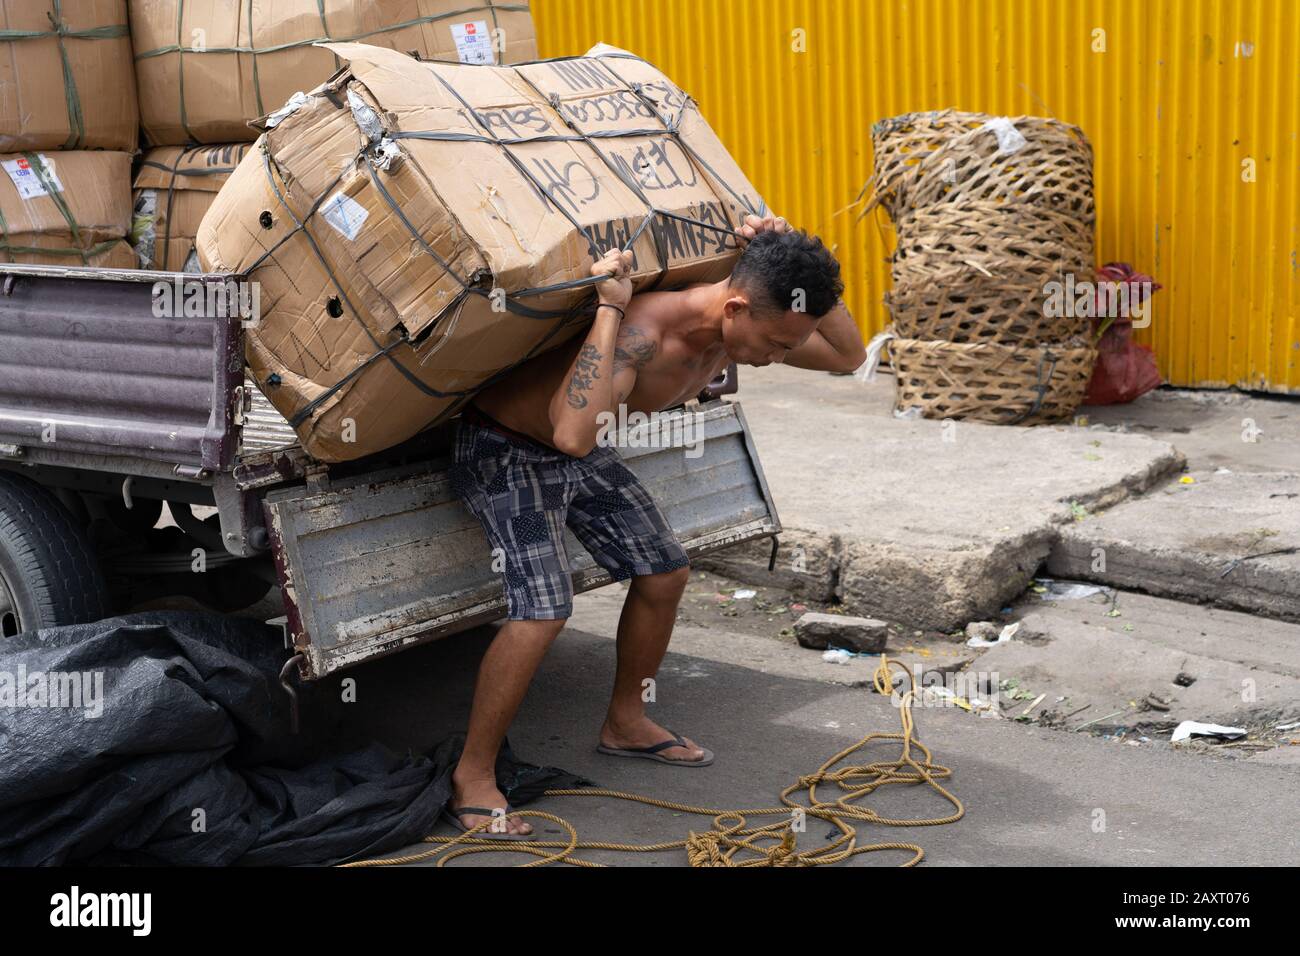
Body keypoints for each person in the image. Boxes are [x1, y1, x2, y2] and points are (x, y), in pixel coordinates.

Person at [445, 214, 867, 836]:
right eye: (776, 343)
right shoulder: (644, 332)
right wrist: (610, 311)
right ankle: (472, 775)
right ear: (735, 307)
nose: (778, 360)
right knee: (542, 610)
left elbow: (848, 354)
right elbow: (569, 431)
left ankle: (626, 721)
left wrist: (793, 250)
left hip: (580, 453)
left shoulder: (737, 328)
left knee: (666, 571)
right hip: (505, 449)